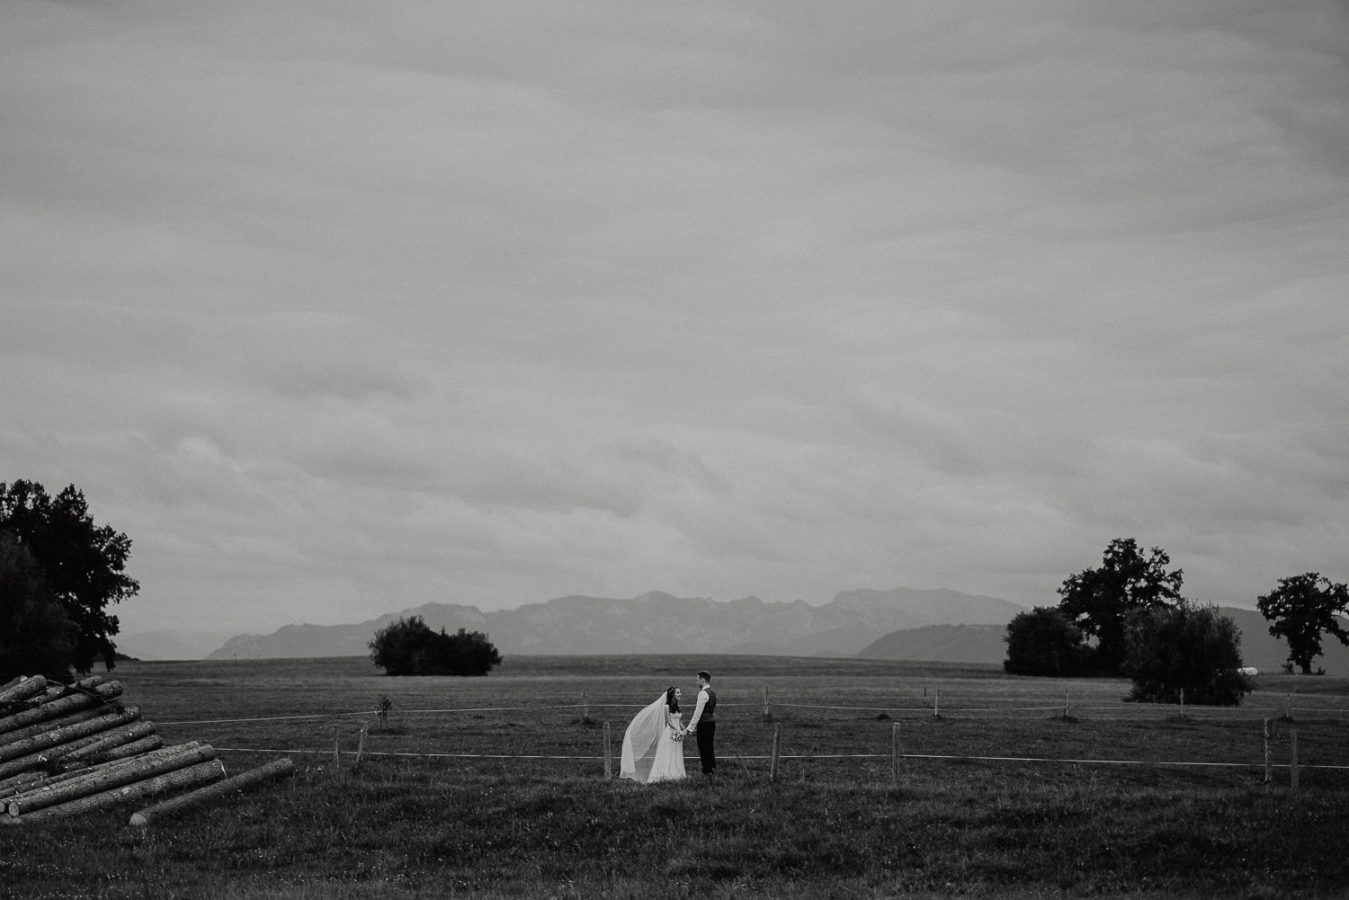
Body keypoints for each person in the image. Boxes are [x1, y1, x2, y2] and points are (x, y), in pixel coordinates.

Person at [620, 686, 687, 783]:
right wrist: (677, 730)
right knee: (669, 752)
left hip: (677, 733)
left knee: (676, 752)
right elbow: (668, 721)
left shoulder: (676, 707)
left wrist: (686, 729)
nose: (680, 694)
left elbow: (679, 721)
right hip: (670, 733)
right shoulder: (666, 707)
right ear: (672, 695)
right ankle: (665, 774)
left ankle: (676, 773)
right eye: (678, 693)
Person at [684, 670, 716, 776]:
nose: (696, 682)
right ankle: (712, 767)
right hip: (711, 723)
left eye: (697, 680)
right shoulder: (713, 692)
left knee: (703, 748)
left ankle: (707, 770)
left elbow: (697, 714)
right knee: (710, 747)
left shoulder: (703, 693)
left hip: (704, 724)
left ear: (703, 681)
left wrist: (690, 728)